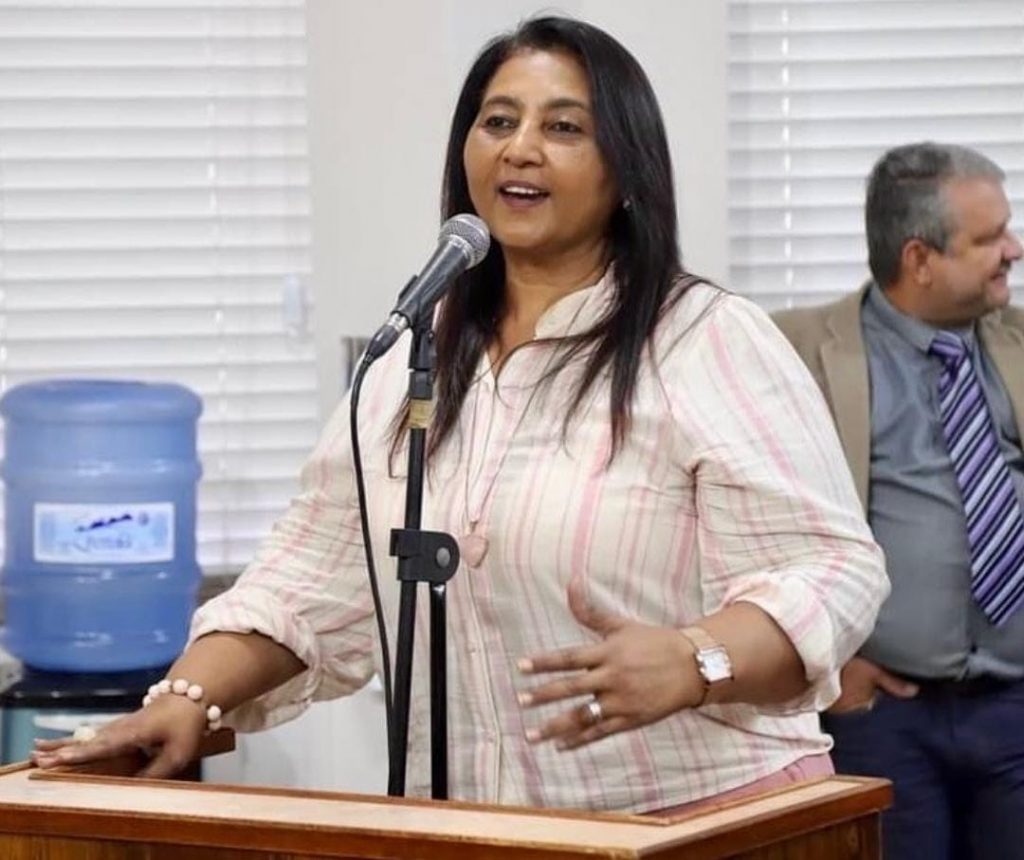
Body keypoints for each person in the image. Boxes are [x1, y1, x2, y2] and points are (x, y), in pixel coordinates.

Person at [34, 16, 887, 814]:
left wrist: (698, 658)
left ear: (626, 171)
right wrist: (188, 695)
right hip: (478, 825)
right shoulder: (412, 353)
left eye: (563, 127)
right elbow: (311, 579)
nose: (521, 148)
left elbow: (829, 569)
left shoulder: (705, 339)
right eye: (498, 121)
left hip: (703, 820)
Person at [773, 142, 1024, 859]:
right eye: (989, 238)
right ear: (919, 259)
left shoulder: (1017, 342)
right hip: (883, 716)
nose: (1013, 250)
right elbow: (753, 528)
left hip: (1015, 709)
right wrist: (829, 671)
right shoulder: (797, 351)